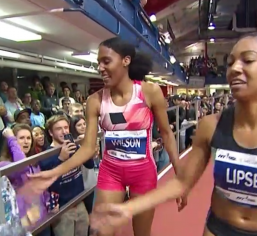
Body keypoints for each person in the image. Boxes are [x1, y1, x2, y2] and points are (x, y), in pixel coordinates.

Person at [88, 34, 257, 235]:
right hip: (217, 230)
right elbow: (181, 183)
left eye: (248, 60)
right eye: (230, 62)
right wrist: (128, 207)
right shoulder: (210, 125)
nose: (234, 68)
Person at [27, 37, 182, 236]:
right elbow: (88, 148)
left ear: (125, 60)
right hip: (112, 172)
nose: (100, 68)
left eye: (106, 61)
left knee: (142, 233)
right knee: (102, 232)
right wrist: (54, 172)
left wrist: (180, 176)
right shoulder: (95, 100)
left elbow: (167, 134)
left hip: (143, 171)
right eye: (98, 62)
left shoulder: (148, 92)